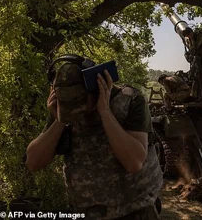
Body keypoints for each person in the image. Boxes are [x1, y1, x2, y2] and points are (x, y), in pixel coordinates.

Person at [24, 56, 163, 220]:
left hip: (134, 210)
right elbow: (33, 162)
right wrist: (60, 120)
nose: (75, 113)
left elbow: (134, 162)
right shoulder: (62, 108)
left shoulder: (129, 100)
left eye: (79, 104)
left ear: (97, 87)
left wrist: (105, 113)